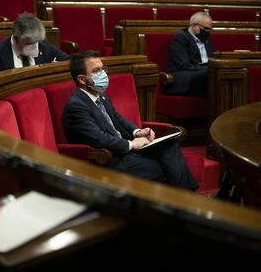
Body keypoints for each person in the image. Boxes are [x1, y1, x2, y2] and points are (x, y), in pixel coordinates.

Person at [63, 50, 198, 191]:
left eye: (103, 69)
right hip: (109, 159)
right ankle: (187, 203)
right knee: (165, 169)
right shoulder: (76, 106)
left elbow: (117, 118)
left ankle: (190, 196)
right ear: (82, 79)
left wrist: (137, 131)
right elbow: (98, 138)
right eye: (97, 71)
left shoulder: (100, 96)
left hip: (124, 150)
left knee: (170, 146)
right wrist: (130, 144)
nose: (103, 74)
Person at [0, 12, 69, 74]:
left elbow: (68, 62)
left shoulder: (44, 46)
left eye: (37, 42)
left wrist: (54, 68)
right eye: (30, 44)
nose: (36, 47)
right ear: (16, 38)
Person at [166, 12, 214, 97]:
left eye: (210, 29)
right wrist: (209, 68)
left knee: (220, 72)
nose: (208, 32)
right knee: (212, 73)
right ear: (194, 25)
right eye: (206, 29)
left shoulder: (206, 38)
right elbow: (183, 65)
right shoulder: (180, 38)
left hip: (204, 72)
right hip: (184, 75)